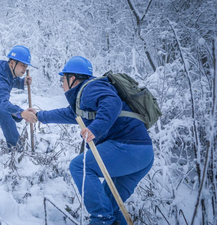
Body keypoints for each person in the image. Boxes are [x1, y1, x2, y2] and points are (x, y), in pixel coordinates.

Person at [36, 56, 154, 225]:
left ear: (73, 78)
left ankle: (100, 220)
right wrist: (39, 116)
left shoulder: (91, 87)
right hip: (143, 155)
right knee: (112, 205)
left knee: (79, 166)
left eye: (62, 79)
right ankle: (107, 219)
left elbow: (112, 103)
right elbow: (68, 114)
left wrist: (95, 128)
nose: (61, 84)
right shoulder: (84, 98)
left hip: (128, 147)